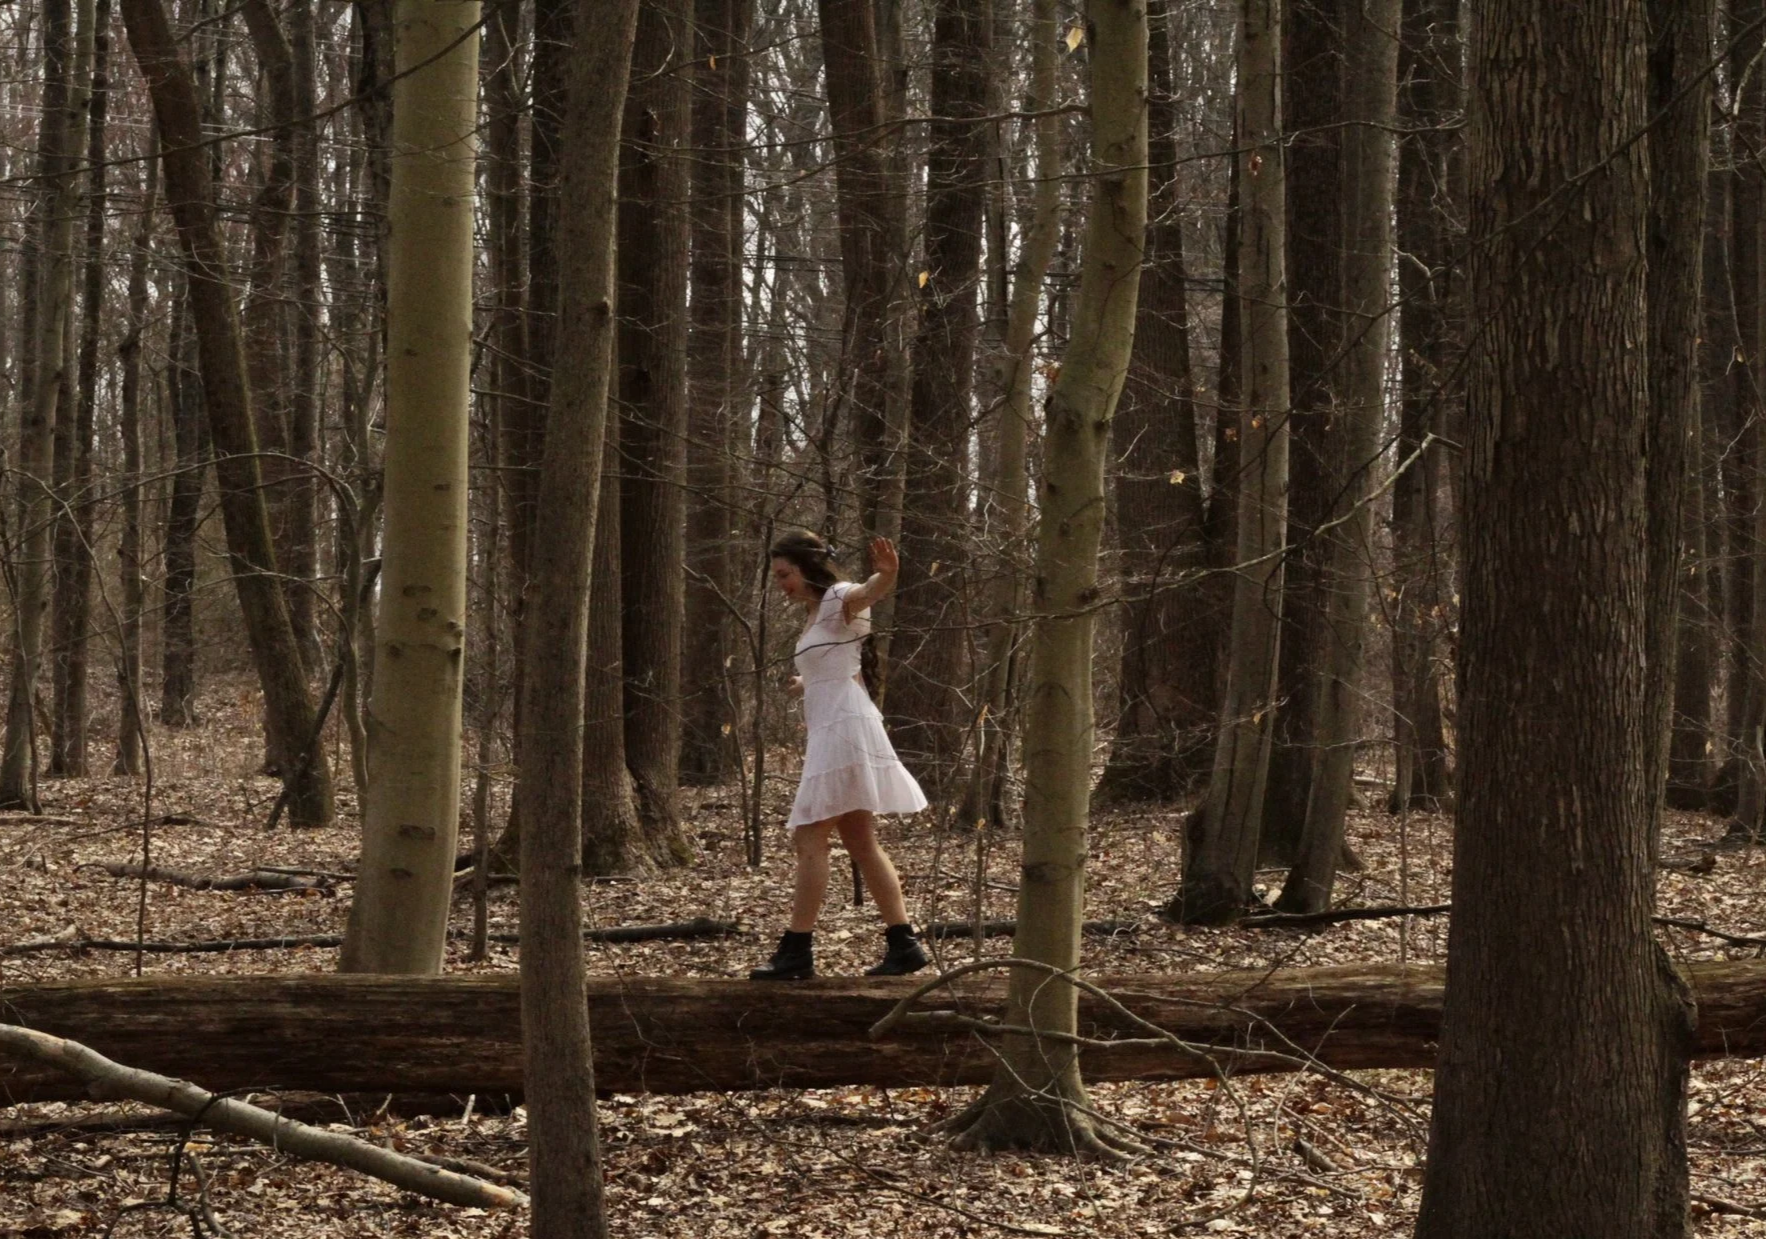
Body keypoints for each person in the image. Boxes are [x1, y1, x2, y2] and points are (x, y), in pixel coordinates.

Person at [749, 530, 931, 980]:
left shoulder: (837, 598)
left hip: (845, 731)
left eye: (785, 574)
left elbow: (867, 591)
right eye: (777, 576)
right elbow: (836, 668)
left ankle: (797, 950)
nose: (781, 583)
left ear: (807, 567)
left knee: (809, 839)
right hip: (836, 726)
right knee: (860, 842)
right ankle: (903, 944)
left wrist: (886, 574)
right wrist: (804, 684)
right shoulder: (815, 613)